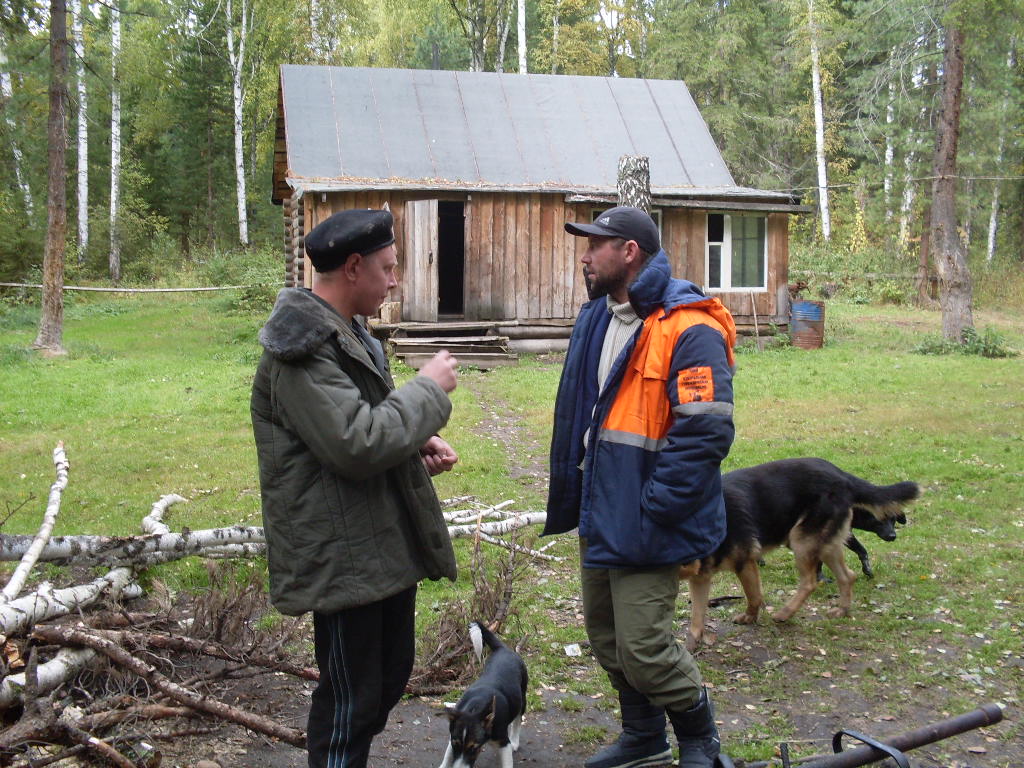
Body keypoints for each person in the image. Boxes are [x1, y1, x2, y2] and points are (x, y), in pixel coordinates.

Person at [250, 208, 460, 768]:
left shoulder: (352, 336)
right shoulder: (302, 351)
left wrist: (416, 441)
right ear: (351, 267)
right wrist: (426, 394)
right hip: (342, 556)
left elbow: (358, 419)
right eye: (388, 269)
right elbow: (354, 443)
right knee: (349, 704)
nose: (395, 281)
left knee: (385, 682)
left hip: (378, 543)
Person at [544, 206, 737, 768]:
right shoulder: (598, 318)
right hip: (600, 506)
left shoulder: (689, 325)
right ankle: (644, 736)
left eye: (596, 245)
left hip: (650, 515)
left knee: (646, 647)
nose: (584, 255)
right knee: (606, 638)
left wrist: (659, 506)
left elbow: (705, 430)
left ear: (629, 251)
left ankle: (702, 742)